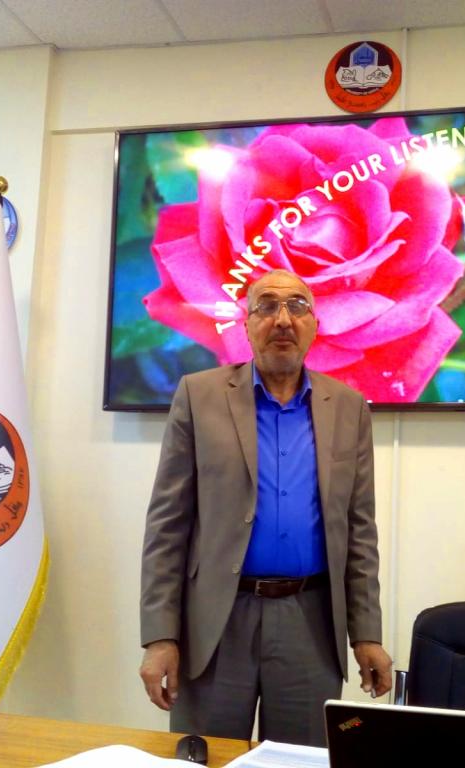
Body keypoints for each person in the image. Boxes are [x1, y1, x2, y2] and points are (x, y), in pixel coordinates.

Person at [139, 269, 392, 747]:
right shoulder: (199, 395)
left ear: (315, 324)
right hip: (215, 623)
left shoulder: (349, 407)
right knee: (208, 756)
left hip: (310, 622)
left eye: (297, 306)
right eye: (267, 306)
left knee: (300, 760)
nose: (283, 319)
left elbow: (360, 531)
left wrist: (367, 634)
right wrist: (160, 637)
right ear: (246, 323)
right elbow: (167, 526)